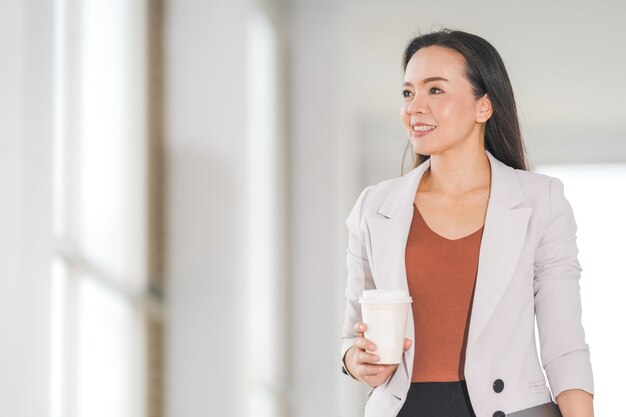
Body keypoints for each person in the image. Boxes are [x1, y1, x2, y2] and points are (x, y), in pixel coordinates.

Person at [340, 29, 595, 417]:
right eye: (408, 93)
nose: (414, 107)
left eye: (435, 90)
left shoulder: (540, 200)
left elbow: (565, 345)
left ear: (483, 107)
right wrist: (356, 361)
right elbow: (353, 334)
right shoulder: (374, 207)